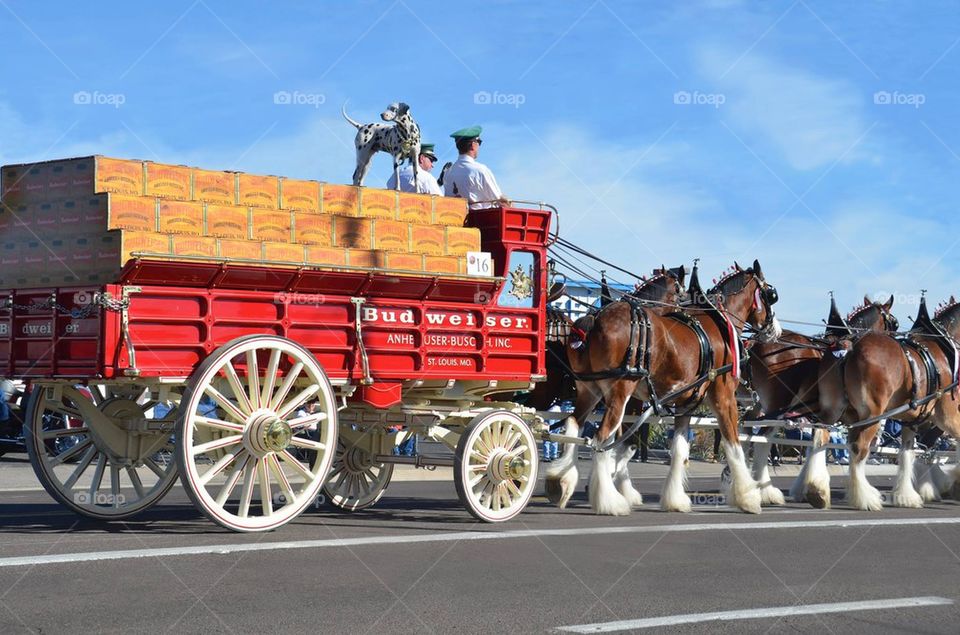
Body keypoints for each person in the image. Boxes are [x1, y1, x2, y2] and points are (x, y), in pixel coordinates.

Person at [442, 125, 508, 209]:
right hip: (480, 220)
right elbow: (501, 202)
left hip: (454, 219)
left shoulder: (447, 173)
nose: (479, 146)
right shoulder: (480, 170)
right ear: (473, 145)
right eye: (479, 142)